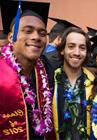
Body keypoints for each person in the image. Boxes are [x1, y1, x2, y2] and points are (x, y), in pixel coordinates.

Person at [0, 1, 55, 139]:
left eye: (42, 33)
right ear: (11, 37)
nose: (36, 37)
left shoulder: (46, 71)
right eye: (28, 31)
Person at [52, 27, 95, 139]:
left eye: (82, 48)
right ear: (62, 50)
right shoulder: (50, 81)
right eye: (71, 46)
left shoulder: (95, 83)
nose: (77, 52)